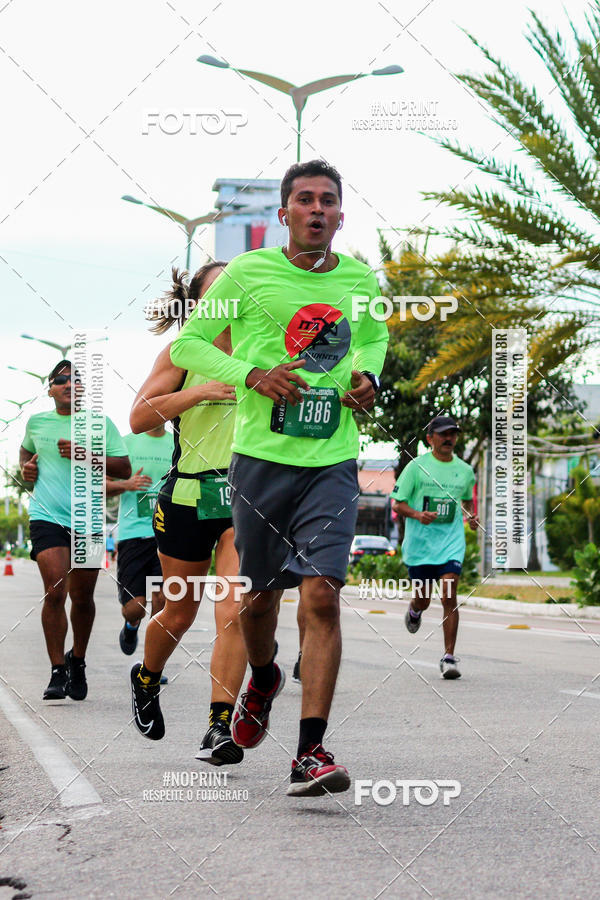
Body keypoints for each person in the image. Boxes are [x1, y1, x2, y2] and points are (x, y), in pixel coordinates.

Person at [170, 159, 389, 796]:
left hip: (333, 460)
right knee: (259, 601)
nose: (317, 210)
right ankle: (263, 676)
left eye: (328, 201)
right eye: (305, 200)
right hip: (261, 460)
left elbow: (373, 337)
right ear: (285, 214)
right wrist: (252, 375)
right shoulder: (245, 273)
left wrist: (368, 375)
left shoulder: (358, 278)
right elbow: (190, 346)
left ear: (340, 215)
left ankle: (310, 749)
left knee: (321, 594)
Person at [129, 263, 249, 767]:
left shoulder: (260, 347)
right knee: (180, 610)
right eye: (219, 289)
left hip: (244, 497)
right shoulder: (181, 352)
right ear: (198, 302)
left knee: (234, 610)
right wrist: (197, 391)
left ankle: (219, 728)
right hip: (187, 496)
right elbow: (139, 418)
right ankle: (146, 677)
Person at [20, 360, 130, 701]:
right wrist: (25, 468)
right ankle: (57, 670)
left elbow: (123, 468)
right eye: (62, 380)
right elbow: (25, 453)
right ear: (50, 388)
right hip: (46, 515)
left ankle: (77, 659)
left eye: (76, 380)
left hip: (88, 517)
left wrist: (86, 454)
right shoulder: (36, 422)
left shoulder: (101, 423)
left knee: (82, 597)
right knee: (55, 591)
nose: (69, 384)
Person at [390, 415, 478, 679]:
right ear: (430, 439)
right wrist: (418, 515)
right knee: (424, 599)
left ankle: (449, 657)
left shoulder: (465, 471)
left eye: (453, 434)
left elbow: (466, 501)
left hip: (450, 544)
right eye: (443, 434)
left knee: (449, 594)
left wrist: (471, 516)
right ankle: (415, 609)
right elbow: (397, 503)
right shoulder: (416, 468)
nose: (449, 438)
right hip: (421, 546)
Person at [105, 425, 173, 658]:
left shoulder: (178, 444)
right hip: (132, 535)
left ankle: (153, 663)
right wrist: (127, 484)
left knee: (163, 599)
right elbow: (99, 485)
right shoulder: (125, 445)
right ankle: (131, 626)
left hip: (167, 534)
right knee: (135, 608)